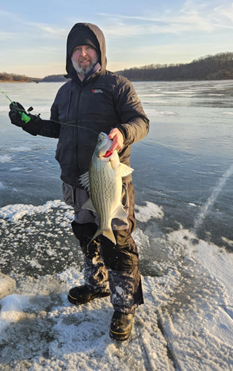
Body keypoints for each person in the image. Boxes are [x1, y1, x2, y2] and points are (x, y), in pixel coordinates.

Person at [9, 22, 149, 341]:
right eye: (77, 49)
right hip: (75, 182)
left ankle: (125, 306)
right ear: (70, 55)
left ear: (99, 52)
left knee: (118, 243)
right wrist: (27, 122)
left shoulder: (117, 85)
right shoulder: (65, 91)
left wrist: (122, 133)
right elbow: (57, 128)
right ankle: (97, 284)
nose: (83, 54)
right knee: (87, 236)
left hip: (110, 181)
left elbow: (141, 122)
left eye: (89, 48)